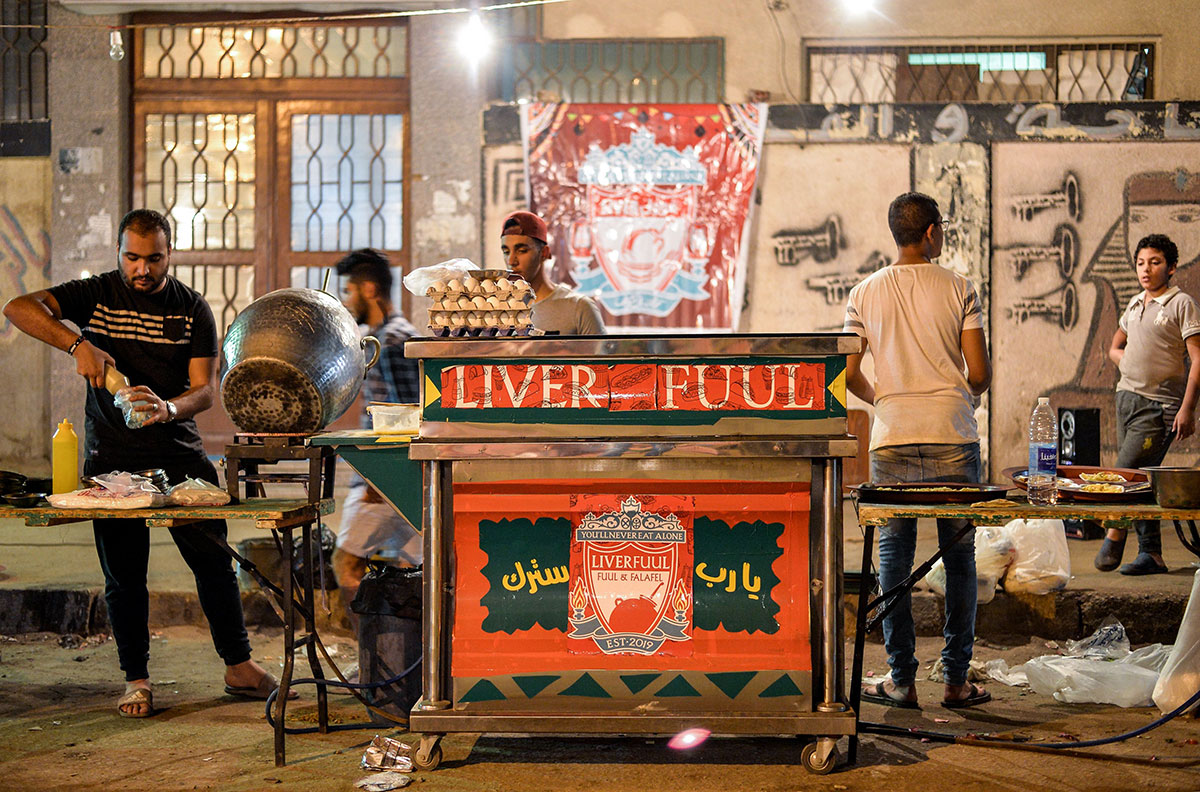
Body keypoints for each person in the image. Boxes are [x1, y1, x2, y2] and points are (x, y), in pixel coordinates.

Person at [2, 209, 287, 718]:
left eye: (153, 258)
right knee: (124, 575)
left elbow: (205, 389)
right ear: (118, 252)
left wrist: (169, 407)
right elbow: (18, 306)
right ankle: (136, 679)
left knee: (213, 562)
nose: (142, 269)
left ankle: (238, 666)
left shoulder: (191, 309)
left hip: (180, 454)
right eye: (132, 257)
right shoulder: (95, 294)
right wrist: (77, 343)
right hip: (112, 459)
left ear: (169, 255)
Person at [843, 192, 993, 709]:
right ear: (931, 232)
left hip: (894, 437)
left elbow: (847, 372)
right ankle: (954, 680)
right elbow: (980, 376)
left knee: (894, 557)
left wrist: (885, 398)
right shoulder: (960, 288)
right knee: (959, 559)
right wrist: (949, 395)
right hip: (953, 435)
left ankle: (901, 679)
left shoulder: (863, 293)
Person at [1094, 233, 1200, 575]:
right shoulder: (1136, 302)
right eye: (1140, 262)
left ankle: (1114, 533)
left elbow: (1198, 359)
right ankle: (1151, 554)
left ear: (1170, 268)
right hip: (1126, 399)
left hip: (1159, 406)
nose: (1146, 269)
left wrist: (1188, 408)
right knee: (1141, 478)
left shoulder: (1181, 303)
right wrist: (1120, 358)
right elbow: (1116, 343)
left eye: (1154, 262)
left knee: (1125, 472)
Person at [329, 249, 422, 621]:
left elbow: (411, 415)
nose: (346, 301)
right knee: (406, 574)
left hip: (384, 482)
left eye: (349, 291)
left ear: (369, 289)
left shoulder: (393, 342)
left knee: (346, 563)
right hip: (392, 481)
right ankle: (391, 662)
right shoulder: (387, 336)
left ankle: (369, 660)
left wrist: (381, 479)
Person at [500, 210, 606, 335]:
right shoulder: (499, 312)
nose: (511, 261)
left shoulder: (579, 308)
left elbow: (602, 353)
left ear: (544, 253)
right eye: (506, 252)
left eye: (522, 250)